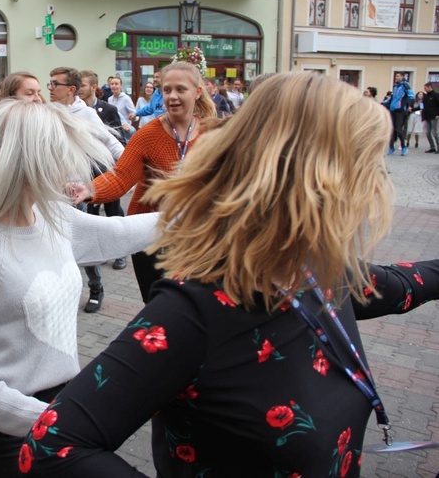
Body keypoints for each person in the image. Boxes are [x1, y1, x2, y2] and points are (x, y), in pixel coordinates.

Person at [22, 71, 439, 478]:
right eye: (364, 163)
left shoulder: (315, 266)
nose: (374, 183)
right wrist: (92, 190)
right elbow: (53, 446)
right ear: (313, 178)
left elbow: (398, 286)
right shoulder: (197, 309)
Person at [0, 99, 159, 478]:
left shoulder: (53, 217)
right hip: (0, 435)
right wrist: (38, 417)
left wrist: (200, 213)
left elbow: (118, 234)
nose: (69, 167)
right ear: (28, 161)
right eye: (59, 154)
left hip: (60, 411)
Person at [74, 61, 216, 303]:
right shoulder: (148, 135)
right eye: (166, 90)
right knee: (159, 308)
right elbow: (121, 176)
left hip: (197, 237)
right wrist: (88, 189)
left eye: (180, 89)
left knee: (194, 309)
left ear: (198, 92)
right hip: (152, 238)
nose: (172, 96)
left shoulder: (213, 133)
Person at [48, 66, 126, 312]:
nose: (49, 88)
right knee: (52, 242)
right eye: (49, 83)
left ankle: (95, 287)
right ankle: (59, 291)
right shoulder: (47, 112)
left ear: (70, 89)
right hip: (49, 188)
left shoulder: (87, 114)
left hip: (75, 190)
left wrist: (129, 167)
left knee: (81, 239)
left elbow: (111, 141)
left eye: (54, 84)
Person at [383, 72, 415, 156]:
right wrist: (383, 102)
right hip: (392, 109)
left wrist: (403, 103)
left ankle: (403, 147)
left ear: (402, 76)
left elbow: (412, 96)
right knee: (391, 129)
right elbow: (393, 97)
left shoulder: (405, 85)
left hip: (400, 110)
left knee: (398, 128)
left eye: (397, 76)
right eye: (395, 76)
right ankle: (391, 147)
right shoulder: (395, 86)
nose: (396, 77)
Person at [422, 82, 439, 153]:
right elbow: (421, 106)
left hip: (434, 116)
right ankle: (432, 147)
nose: (424, 89)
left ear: (429, 87)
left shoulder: (436, 95)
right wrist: (413, 109)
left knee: (434, 132)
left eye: (425, 88)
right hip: (426, 116)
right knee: (427, 132)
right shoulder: (425, 96)